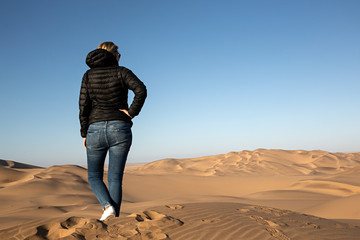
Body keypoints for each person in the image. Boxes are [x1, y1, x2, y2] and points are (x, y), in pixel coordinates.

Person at [79, 41, 147, 221]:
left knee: (94, 176)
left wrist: (84, 133)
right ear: (114, 55)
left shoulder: (88, 75)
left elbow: (83, 106)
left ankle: (107, 207)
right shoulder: (122, 71)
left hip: (95, 129)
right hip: (120, 128)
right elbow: (141, 90)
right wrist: (131, 113)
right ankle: (113, 217)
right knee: (115, 179)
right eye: (119, 54)